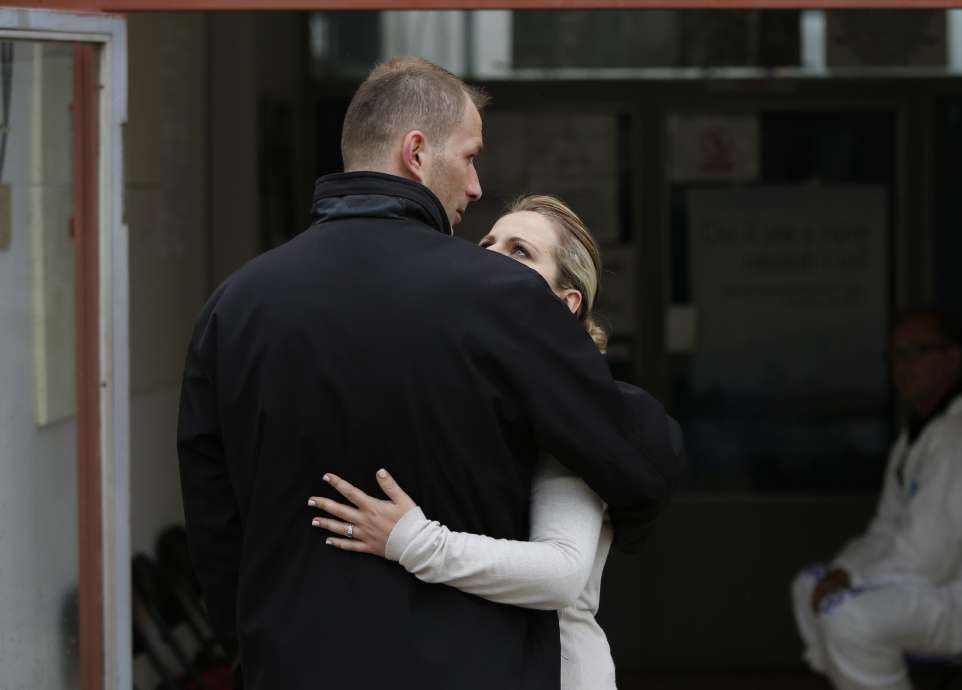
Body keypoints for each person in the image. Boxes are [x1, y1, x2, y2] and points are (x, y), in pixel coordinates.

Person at [177, 57, 683, 690]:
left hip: (294, 660)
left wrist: (251, 630)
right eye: (469, 157)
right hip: (468, 663)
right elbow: (637, 454)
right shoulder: (497, 298)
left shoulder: (235, 305)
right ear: (416, 152)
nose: (475, 186)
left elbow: (212, 511)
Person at [308, 195, 625, 690]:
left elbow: (563, 572)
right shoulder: (487, 386)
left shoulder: (572, 404)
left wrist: (413, 541)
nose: (491, 256)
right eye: (487, 242)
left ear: (566, 303)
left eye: (520, 251)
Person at [790, 310, 962, 690]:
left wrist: (853, 579)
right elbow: (885, 530)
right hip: (936, 585)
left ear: (952, 358)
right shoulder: (922, 434)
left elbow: (929, 557)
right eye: (896, 355)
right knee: (811, 585)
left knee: (847, 616)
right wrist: (843, 571)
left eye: (917, 352)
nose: (903, 366)